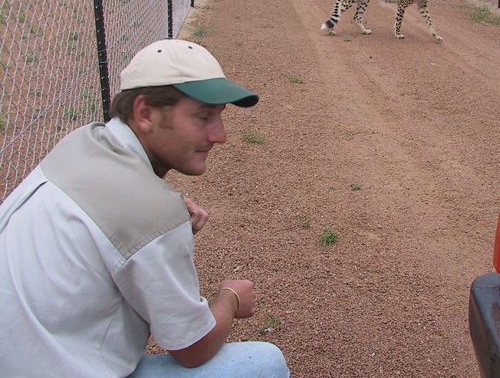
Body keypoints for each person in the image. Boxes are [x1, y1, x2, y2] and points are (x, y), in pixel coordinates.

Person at [0, 39, 290, 377]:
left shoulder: (80, 143)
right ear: (145, 113)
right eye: (204, 117)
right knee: (264, 363)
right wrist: (230, 298)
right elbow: (193, 348)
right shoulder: (150, 213)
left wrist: (160, 220)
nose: (220, 135)